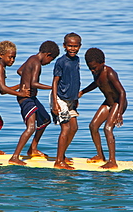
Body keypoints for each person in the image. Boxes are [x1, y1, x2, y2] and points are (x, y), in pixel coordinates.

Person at [9, 40, 60, 166]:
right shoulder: (37, 63)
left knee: (45, 119)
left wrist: (24, 81)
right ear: (47, 55)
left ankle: (33, 149)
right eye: (51, 60)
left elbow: (20, 71)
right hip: (26, 99)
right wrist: (53, 87)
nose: (49, 63)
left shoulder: (31, 58)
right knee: (31, 127)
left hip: (31, 98)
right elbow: (33, 83)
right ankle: (15, 157)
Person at [78, 47, 127, 169]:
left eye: (94, 68)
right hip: (108, 102)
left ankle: (112, 161)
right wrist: (83, 92)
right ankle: (100, 156)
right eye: (90, 68)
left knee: (107, 128)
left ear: (102, 63)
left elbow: (122, 92)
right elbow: (96, 83)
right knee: (93, 126)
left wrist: (119, 113)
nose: (93, 70)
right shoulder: (96, 73)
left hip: (118, 103)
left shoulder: (109, 72)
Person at [50, 32, 82, 170]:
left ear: (80, 46)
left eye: (75, 46)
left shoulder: (77, 60)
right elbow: (55, 81)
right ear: (64, 46)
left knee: (74, 127)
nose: (72, 49)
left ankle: (62, 155)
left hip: (71, 100)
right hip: (60, 98)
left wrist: (75, 98)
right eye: (69, 46)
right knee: (66, 127)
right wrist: (55, 102)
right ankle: (58, 161)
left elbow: (76, 79)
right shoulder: (61, 62)